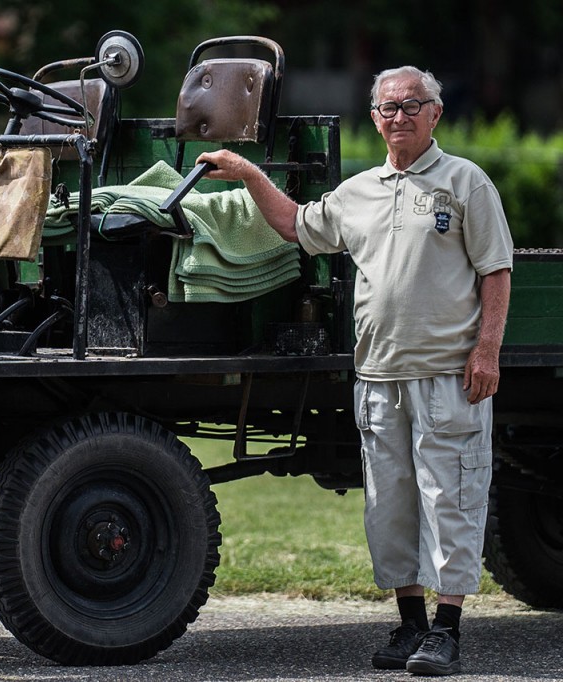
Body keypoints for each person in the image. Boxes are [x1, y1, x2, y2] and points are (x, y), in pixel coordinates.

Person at [198, 66, 513, 676]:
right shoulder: (359, 191)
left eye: (412, 105)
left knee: (450, 499)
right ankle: (411, 626)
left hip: (448, 375)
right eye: (388, 108)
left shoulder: (465, 182)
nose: (400, 116)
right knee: (389, 506)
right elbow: (295, 225)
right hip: (378, 377)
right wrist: (248, 173)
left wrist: (487, 351)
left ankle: (447, 630)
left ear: (435, 114)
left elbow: (495, 271)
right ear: (374, 118)